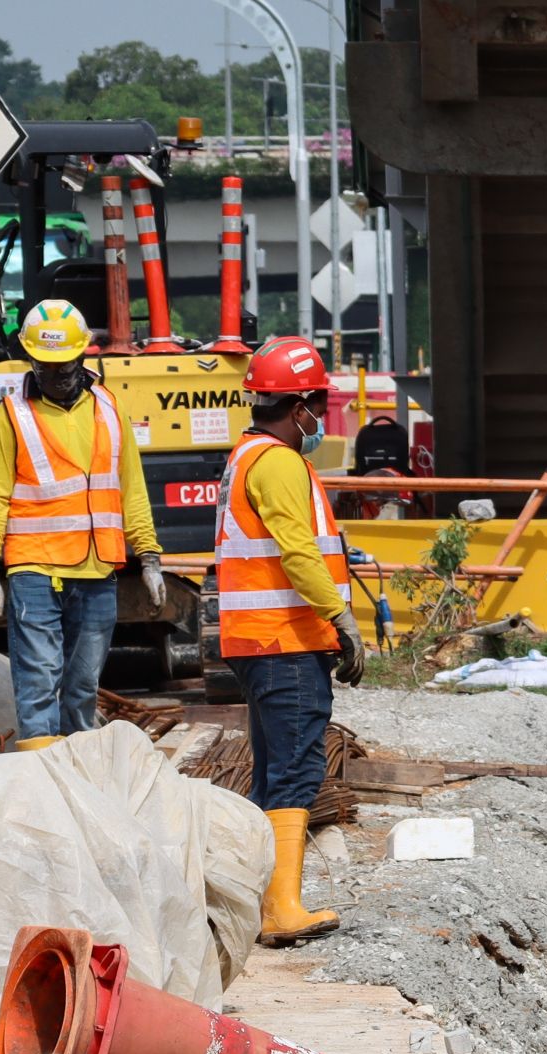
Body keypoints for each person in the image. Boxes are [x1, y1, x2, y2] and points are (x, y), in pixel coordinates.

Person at [217, 336, 365, 945]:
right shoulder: (277, 463)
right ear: (299, 404)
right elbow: (298, 553)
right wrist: (341, 619)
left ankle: (257, 902)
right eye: (318, 404)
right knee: (297, 768)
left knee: (276, 768)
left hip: (265, 640)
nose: (321, 416)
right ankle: (281, 910)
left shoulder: (247, 455)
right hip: (285, 640)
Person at [0, 300, 164, 751]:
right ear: (31, 360)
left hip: (97, 569)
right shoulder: (12, 415)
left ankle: (78, 771)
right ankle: (41, 776)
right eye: (45, 364)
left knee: (81, 686)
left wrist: (151, 557)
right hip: (35, 569)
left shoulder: (109, 409)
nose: (56, 373)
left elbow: (131, 489)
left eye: (64, 363)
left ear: (83, 356)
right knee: (38, 681)